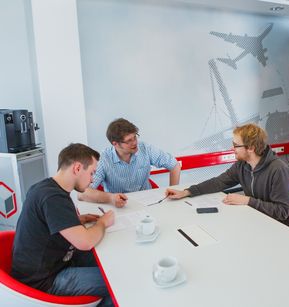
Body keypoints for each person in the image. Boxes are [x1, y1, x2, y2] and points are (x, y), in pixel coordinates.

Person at [11, 143, 115, 307]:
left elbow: (47, 222)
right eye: (91, 173)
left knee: (109, 259)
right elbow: (85, 242)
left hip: (50, 264)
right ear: (77, 168)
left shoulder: (44, 187)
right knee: (116, 281)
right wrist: (103, 222)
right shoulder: (53, 198)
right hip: (45, 280)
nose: (93, 179)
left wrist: (76, 221)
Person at [166, 123, 289, 228]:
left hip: (286, 227)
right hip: (261, 218)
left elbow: (281, 212)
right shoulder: (242, 165)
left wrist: (247, 201)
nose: (232, 149)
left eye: (235, 145)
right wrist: (187, 192)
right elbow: (218, 182)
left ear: (251, 148)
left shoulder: (278, 170)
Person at [78, 118, 181, 207]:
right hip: (119, 205)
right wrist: (111, 198)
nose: (135, 142)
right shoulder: (104, 159)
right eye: (129, 141)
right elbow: (82, 194)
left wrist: (172, 193)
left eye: (135, 137)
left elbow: (175, 165)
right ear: (115, 144)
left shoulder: (145, 148)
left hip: (147, 202)